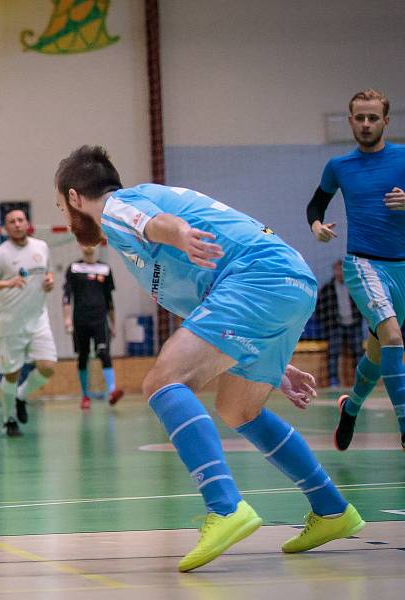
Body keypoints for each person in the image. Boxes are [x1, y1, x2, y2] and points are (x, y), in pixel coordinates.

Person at [55, 145, 364, 572]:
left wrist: (177, 232)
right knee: (239, 408)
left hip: (257, 278)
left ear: (74, 198)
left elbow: (156, 224)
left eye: (62, 205)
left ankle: (225, 507)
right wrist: (271, 362)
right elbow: (207, 303)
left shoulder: (117, 207)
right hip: (284, 286)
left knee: (162, 381)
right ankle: (331, 509)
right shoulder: (141, 226)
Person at [307, 88, 405, 451]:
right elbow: (316, 204)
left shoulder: (403, 158)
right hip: (363, 263)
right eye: (359, 118)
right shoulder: (339, 167)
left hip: (401, 269)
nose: (366, 124)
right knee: (394, 337)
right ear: (350, 121)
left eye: (373, 118)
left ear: (386, 122)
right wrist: (317, 227)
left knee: (379, 354)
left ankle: (351, 407)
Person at [0, 210, 57, 437]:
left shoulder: (41, 247)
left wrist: (49, 282)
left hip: (38, 318)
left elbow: (47, 274)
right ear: (6, 228)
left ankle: (21, 395)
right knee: (11, 374)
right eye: (12, 222)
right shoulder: (0, 254)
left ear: (27, 224)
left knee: (48, 367)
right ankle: (8, 419)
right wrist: (8, 283)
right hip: (10, 323)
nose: (17, 224)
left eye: (20, 220)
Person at [62, 244, 124, 409]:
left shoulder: (105, 268)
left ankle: (112, 391)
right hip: (80, 320)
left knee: (103, 352)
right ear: (80, 246)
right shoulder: (74, 268)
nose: (88, 247)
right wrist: (67, 320)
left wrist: (113, 323)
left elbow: (109, 299)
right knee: (83, 356)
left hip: (100, 320)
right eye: (84, 243)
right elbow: (67, 296)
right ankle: (85, 396)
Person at [315, 260, 365, 387]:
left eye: (342, 270)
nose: (340, 273)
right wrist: (327, 324)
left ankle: (361, 380)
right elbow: (320, 309)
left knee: (359, 352)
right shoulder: (327, 289)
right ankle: (333, 381)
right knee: (333, 353)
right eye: (338, 270)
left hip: (354, 324)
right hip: (336, 325)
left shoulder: (354, 287)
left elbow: (362, 305)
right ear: (334, 271)